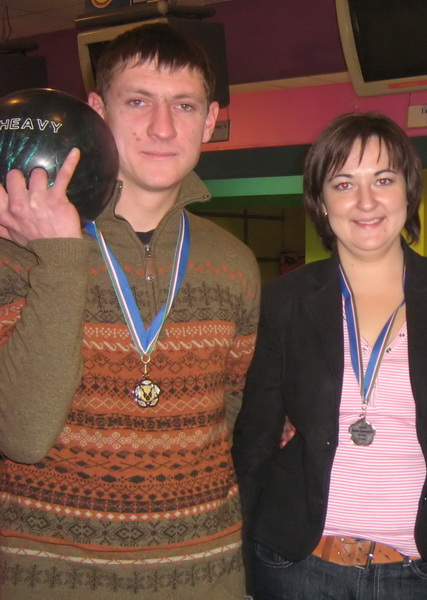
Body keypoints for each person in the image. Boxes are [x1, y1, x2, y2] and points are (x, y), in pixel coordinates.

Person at [0, 24, 260, 599]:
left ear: (210, 120)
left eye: (184, 105)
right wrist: (60, 256)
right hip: (53, 584)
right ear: (97, 111)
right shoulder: (16, 248)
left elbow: (228, 414)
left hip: (203, 579)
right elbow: (22, 434)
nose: (163, 128)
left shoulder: (234, 263)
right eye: (138, 102)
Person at [233, 111, 427, 600]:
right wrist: (243, 574)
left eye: (383, 179)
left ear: (409, 191)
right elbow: (254, 443)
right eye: (343, 184)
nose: (366, 202)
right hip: (296, 566)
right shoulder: (285, 301)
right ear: (320, 202)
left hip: (420, 574)